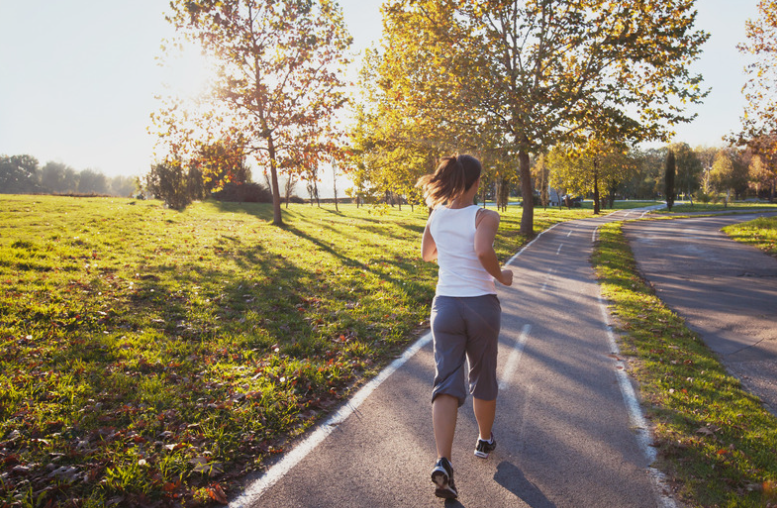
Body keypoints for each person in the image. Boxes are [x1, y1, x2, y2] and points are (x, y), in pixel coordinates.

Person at [417, 154, 513, 499]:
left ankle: (443, 461)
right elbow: (483, 250)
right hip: (480, 306)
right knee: (483, 375)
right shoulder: (485, 216)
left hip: (444, 307)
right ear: (476, 182)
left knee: (446, 382)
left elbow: (427, 254)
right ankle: (484, 442)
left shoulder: (436, 214)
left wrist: (448, 245)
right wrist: (502, 276)